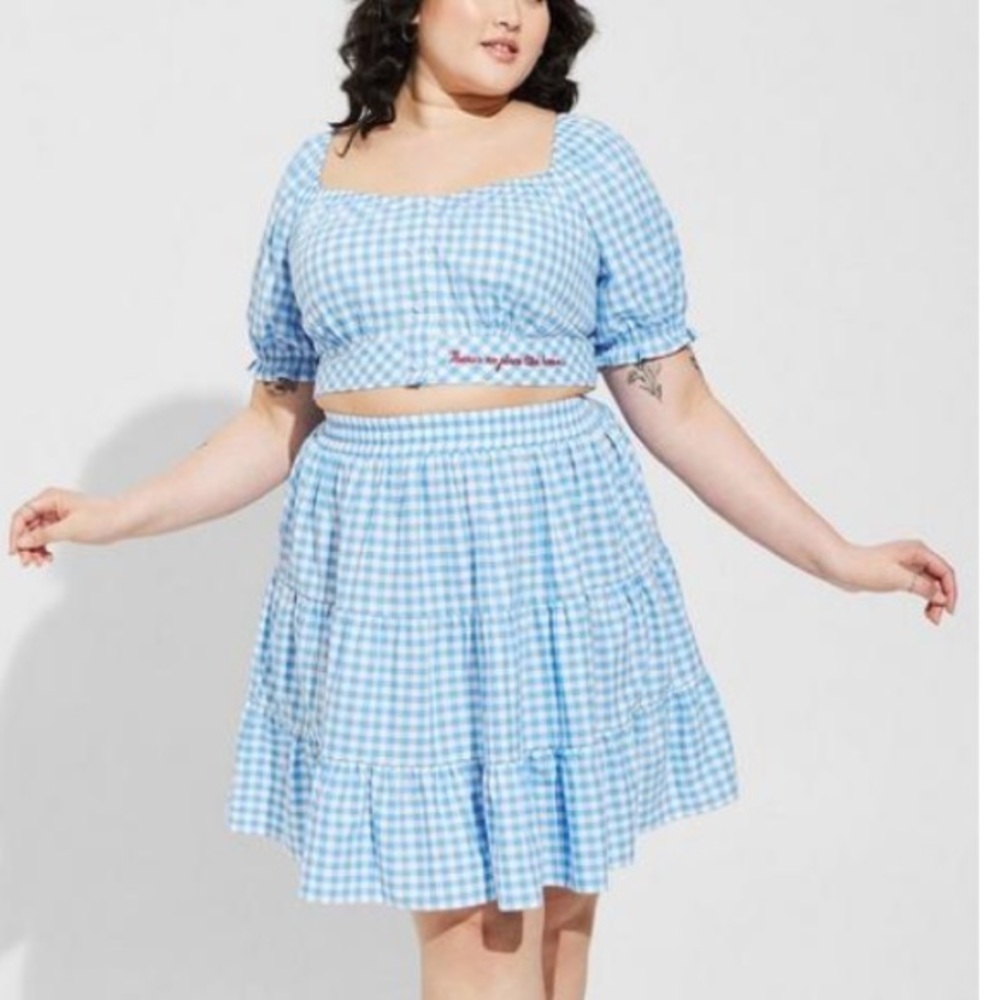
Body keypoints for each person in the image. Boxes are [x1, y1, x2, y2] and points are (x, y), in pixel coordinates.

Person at [7, 1, 958, 998]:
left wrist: (837, 556)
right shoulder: (317, 173)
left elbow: (672, 398)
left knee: (553, 939)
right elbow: (276, 414)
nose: (513, 14)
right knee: (478, 934)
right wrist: (114, 514)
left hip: (552, 558)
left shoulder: (586, 164)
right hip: (392, 577)